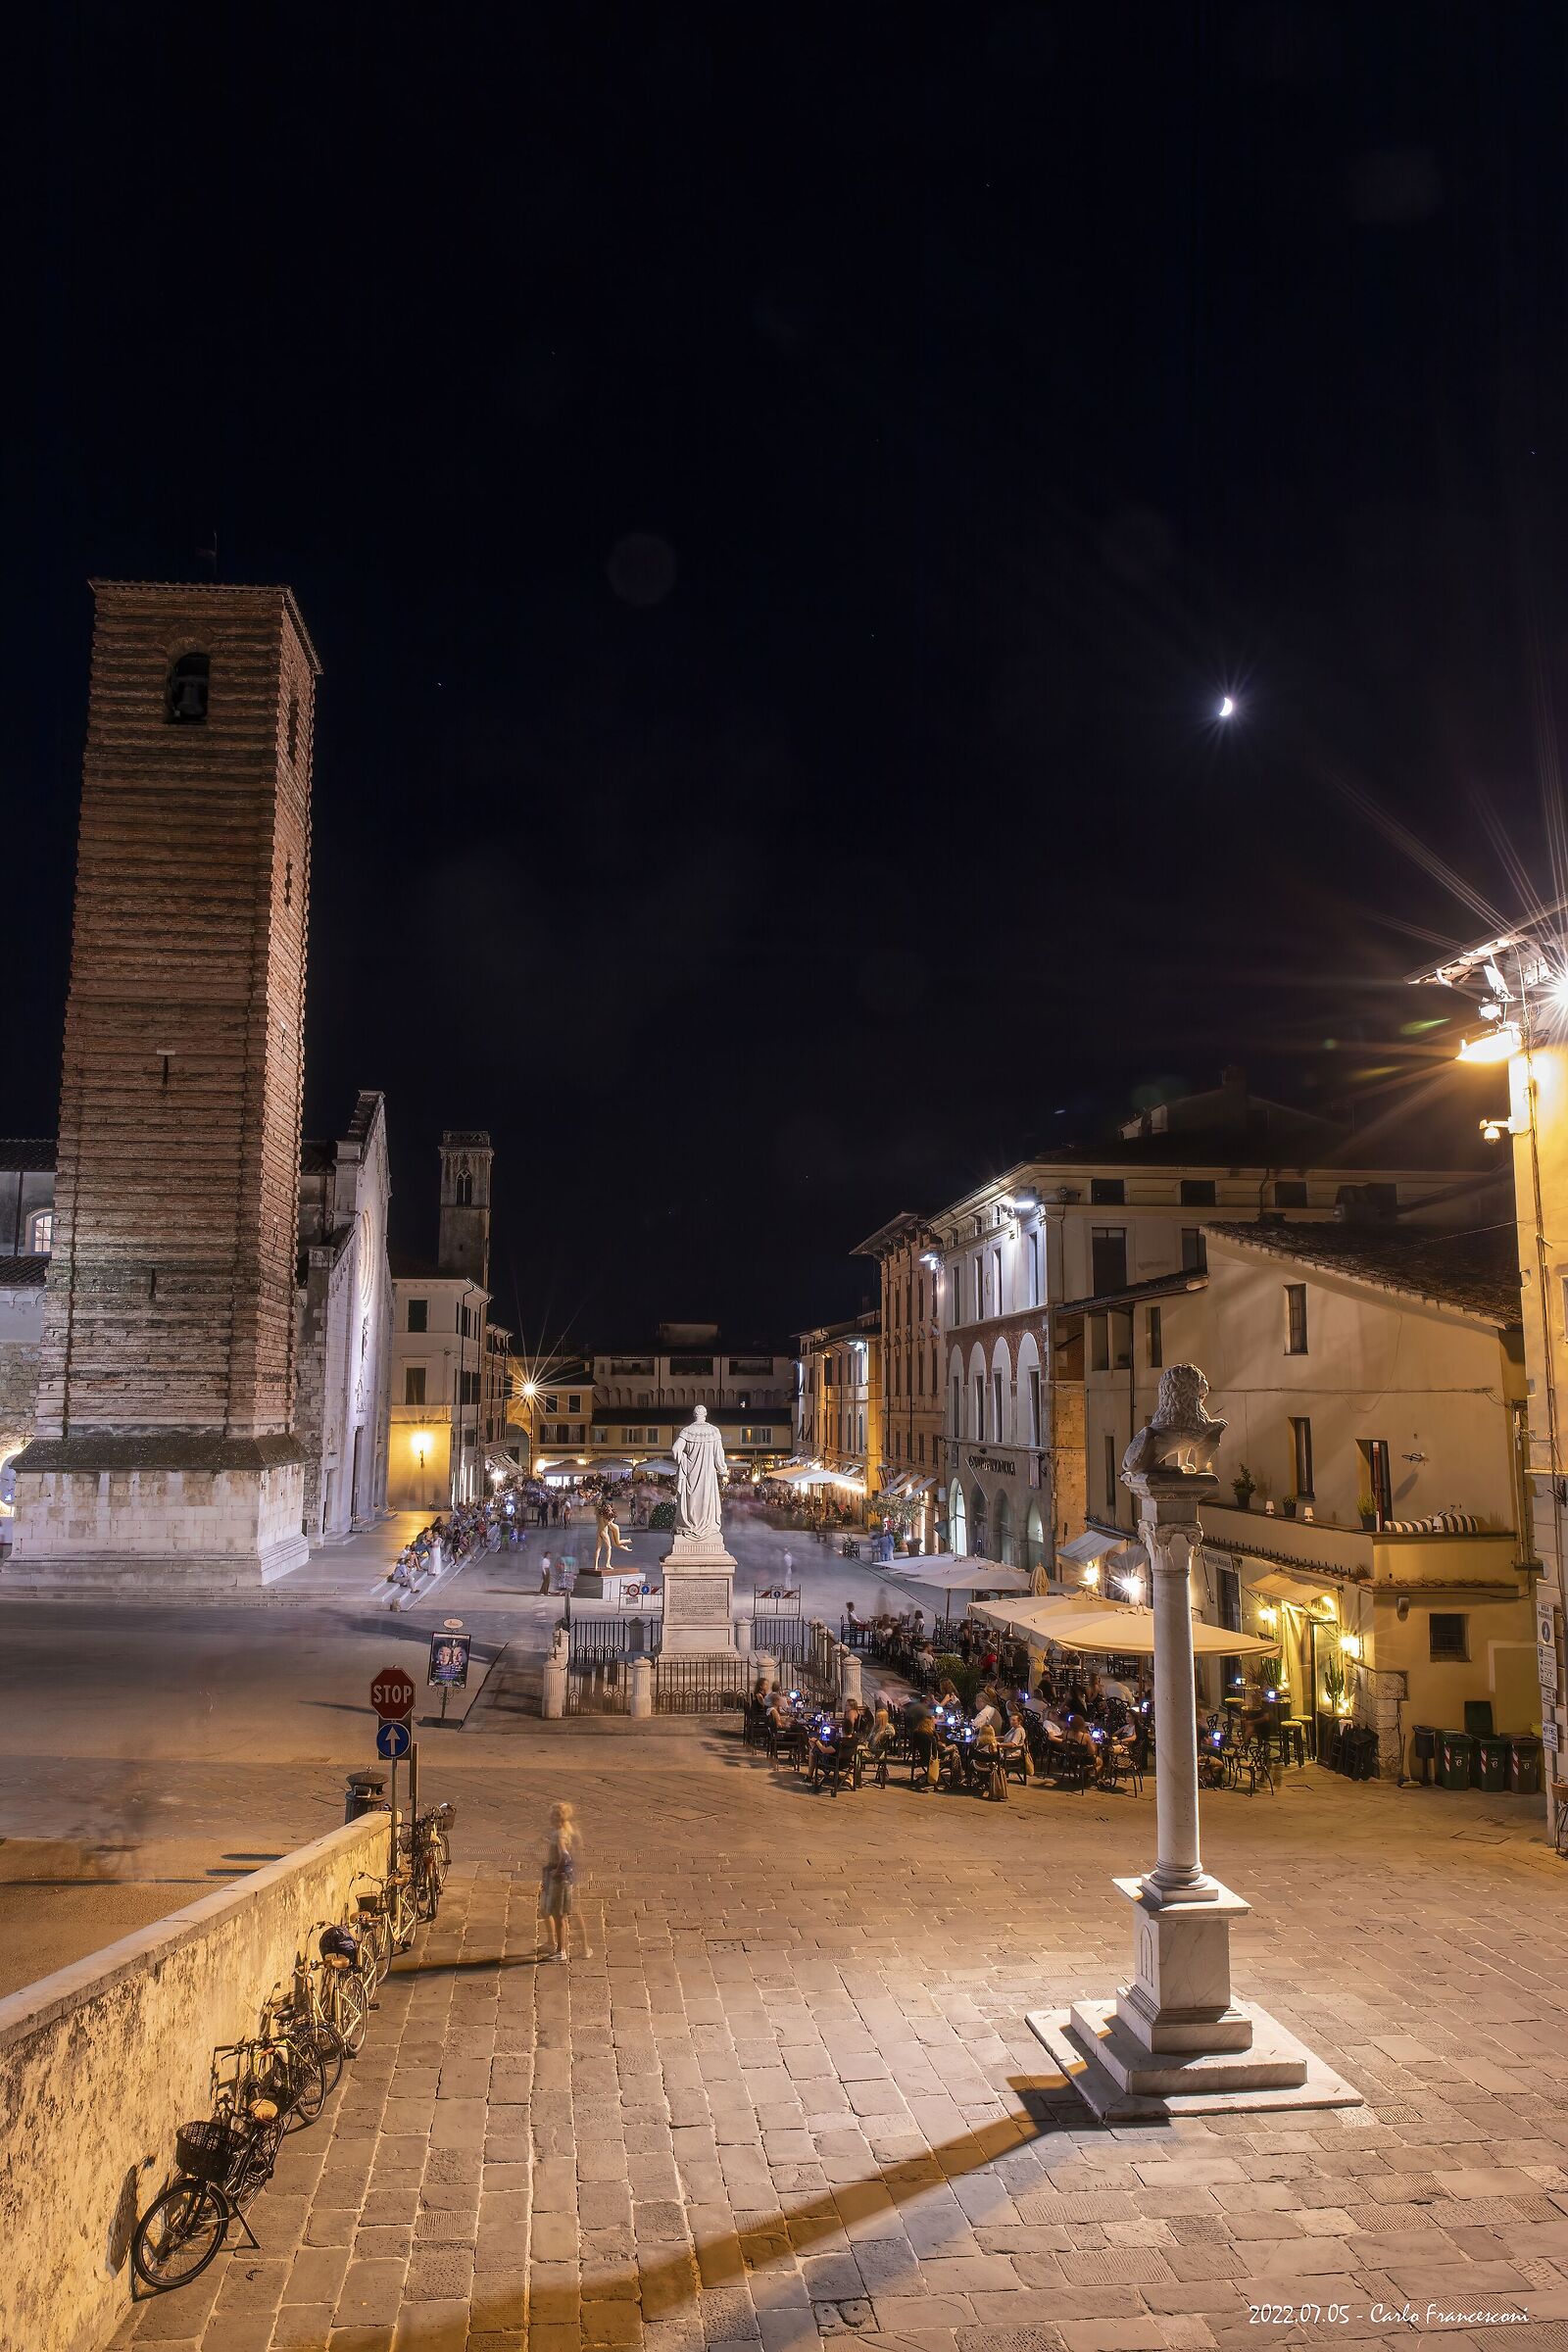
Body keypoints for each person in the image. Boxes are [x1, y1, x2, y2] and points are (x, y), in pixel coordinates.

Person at [538, 1801, 589, 1962]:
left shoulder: (559, 1833)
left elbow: (565, 1855)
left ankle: (560, 1950)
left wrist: (557, 1871)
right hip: (569, 1876)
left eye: (554, 1814)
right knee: (548, 1909)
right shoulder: (567, 1830)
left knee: (559, 1914)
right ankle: (558, 1943)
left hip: (560, 1879)